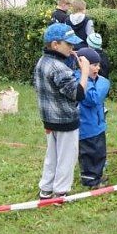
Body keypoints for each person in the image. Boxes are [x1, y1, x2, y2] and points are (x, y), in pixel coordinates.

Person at [34, 23, 91, 199]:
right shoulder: (60, 69)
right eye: (69, 44)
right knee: (67, 156)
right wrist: (85, 71)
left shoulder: (43, 61)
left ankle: (46, 189)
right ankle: (61, 191)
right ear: (55, 45)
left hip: (49, 119)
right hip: (66, 120)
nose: (72, 48)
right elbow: (78, 94)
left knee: (52, 155)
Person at [74, 47, 110, 189]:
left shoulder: (93, 80)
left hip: (97, 125)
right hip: (86, 127)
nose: (98, 68)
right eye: (94, 65)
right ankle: (90, 180)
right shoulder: (80, 80)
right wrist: (104, 83)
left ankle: (97, 175)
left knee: (99, 152)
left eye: (98, 65)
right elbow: (92, 99)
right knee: (89, 154)